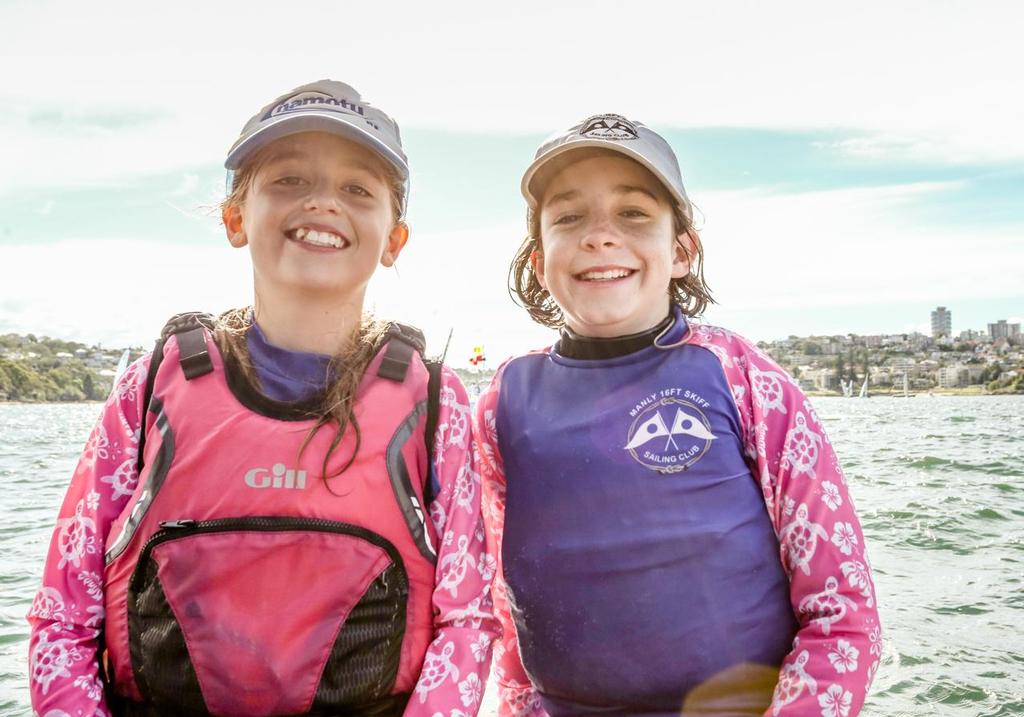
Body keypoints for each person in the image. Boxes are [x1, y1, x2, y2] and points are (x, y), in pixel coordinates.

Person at [28, 80, 496, 716]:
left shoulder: (436, 408)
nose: (323, 202)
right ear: (234, 218)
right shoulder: (146, 394)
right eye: (288, 180)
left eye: (358, 189)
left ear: (394, 240)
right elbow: (62, 620)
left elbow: (468, 621)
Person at [475, 113, 880, 717]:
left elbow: (842, 609)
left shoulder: (745, 379)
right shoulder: (501, 402)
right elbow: (500, 607)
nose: (599, 236)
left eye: (633, 213)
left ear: (682, 251)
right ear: (539, 260)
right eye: (568, 217)